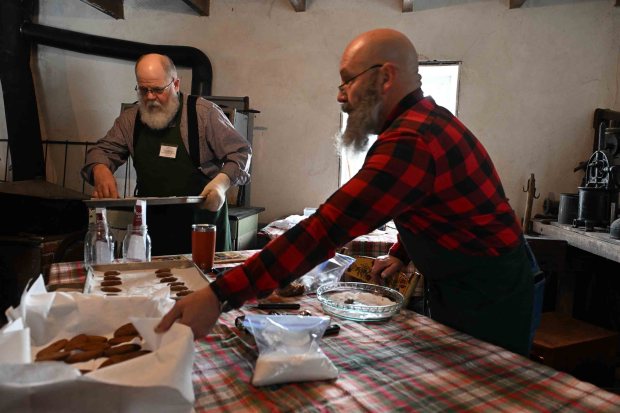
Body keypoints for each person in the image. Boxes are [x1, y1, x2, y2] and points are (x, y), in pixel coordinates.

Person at [156, 29, 535, 356]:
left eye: (347, 81)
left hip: (492, 298)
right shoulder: (425, 122)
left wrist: (219, 295)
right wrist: (403, 253)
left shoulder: (411, 141)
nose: (341, 96)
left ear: (385, 77)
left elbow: (325, 230)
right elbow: (444, 205)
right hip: (477, 285)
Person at [81, 54, 252, 253]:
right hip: (154, 230)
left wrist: (221, 185)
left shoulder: (204, 114)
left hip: (201, 228)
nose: (150, 97)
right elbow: (101, 151)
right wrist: (100, 170)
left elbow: (241, 152)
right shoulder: (130, 120)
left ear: (176, 84)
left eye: (157, 90)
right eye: (143, 90)